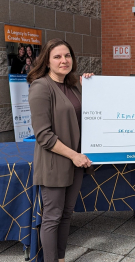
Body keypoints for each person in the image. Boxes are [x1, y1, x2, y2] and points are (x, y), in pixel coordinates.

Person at [27, 38, 94, 262]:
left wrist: (92, 86)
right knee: (53, 217)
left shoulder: (74, 84)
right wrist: (74, 156)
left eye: (67, 56)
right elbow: (43, 135)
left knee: (66, 215)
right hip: (56, 162)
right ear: (47, 61)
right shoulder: (40, 87)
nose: (64, 60)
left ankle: (61, 258)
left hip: (76, 160)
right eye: (57, 56)